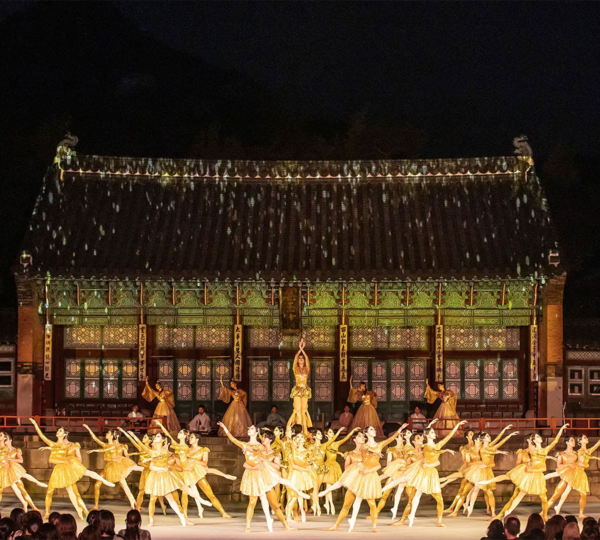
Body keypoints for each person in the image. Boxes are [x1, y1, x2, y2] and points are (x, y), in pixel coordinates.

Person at [218, 421, 299, 533]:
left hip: (263, 475)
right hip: (252, 475)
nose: (249, 429)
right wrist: (225, 428)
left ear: (257, 433)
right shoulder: (245, 445)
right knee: (252, 502)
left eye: (252, 428)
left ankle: (285, 525)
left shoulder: (261, 446)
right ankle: (248, 526)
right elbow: (233, 440)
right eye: (249, 428)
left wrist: (250, 451)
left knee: (275, 505)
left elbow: (263, 454)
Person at [29, 418, 114, 520]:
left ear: (65, 434)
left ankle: (103, 483)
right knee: (53, 491)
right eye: (58, 430)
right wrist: (35, 424)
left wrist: (59, 453)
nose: (57, 432)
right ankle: (48, 513)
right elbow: (43, 437)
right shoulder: (54, 444)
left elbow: (66, 450)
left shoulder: (69, 445)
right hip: (60, 469)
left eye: (60, 431)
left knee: (84, 476)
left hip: (69, 466)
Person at [83, 425, 143, 510]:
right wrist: (88, 428)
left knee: (125, 486)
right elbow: (97, 441)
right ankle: (96, 505)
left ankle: (134, 504)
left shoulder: (121, 446)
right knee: (98, 484)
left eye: (109, 433)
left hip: (119, 467)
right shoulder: (106, 445)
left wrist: (124, 460)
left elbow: (126, 456)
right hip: (110, 468)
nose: (106, 434)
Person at [286, 338, 312, 434]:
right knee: (297, 409)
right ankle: (294, 427)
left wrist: (303, 350)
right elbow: (295, 357)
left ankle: (305, 429)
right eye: (300, 358)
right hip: (297, 390)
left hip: (305, 390)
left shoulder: (306, 369)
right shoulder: (295, 368)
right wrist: (300, 349)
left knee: (304, 409)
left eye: (302, 358)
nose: (301, 359)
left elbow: (307, 358)